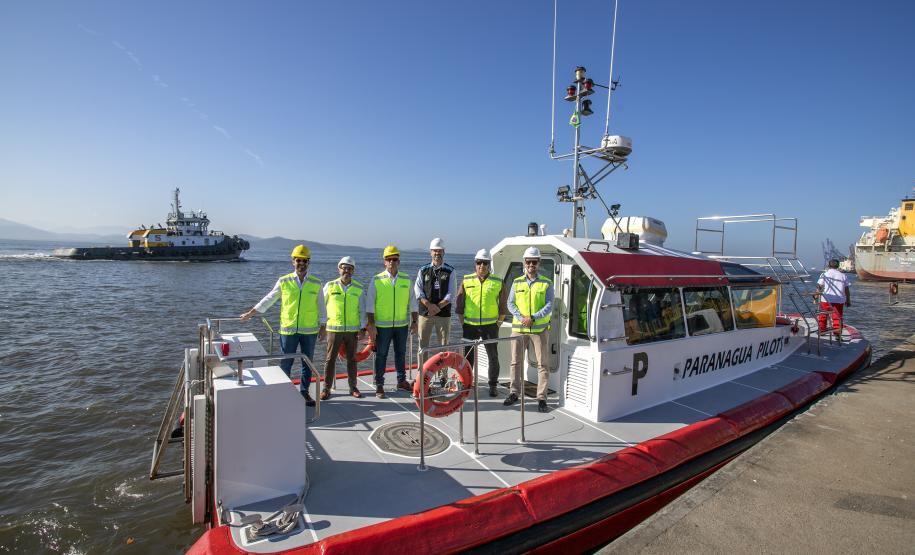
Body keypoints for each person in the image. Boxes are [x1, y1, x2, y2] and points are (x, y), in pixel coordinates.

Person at [240, 244, 325, 406]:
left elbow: (321, 306)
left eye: (305, 261)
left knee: (307, 363)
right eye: (298, 260)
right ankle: (285, 392)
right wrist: (252, 312)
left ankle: (304, 392)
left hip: (309, 331)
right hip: (288, 330)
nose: (301, 263)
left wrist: (323, 327)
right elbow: (269, 299)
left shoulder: (316, 283)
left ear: (309, 262)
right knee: (286, 362)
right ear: (293, 261)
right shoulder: (284, 281)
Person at [504, 247, 554, 413]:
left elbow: (549, 305)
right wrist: (522, 317)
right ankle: (514, 393)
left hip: (539, 330)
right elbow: (510, 304)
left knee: (543, 364)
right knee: (515, 362)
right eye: (528, 261)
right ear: (524, 263)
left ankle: (542, 398)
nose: (531, 264)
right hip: (519, 328)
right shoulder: (517, 282)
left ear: (539, 263)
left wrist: (532, 317)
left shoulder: (547, 283)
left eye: (534, 261)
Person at [366, 245, 418, 398]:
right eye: (389, 259)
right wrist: (372, 325)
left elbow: (413, 302)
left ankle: (401, 381)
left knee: (400, 354)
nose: (392, 262)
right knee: (381, 355)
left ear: (399, 261)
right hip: (382, 326)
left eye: (395, 259)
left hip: (402, 325)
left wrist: (415, 321)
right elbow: (370, 304)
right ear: (384, 262)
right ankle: (379, 385)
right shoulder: (377, 280)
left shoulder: (406, 279)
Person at [455, 248, 507, 397]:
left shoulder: (498, 282)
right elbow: (459, 305)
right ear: (475, 264)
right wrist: (463, 323)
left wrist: (498, 323)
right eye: (479, 263)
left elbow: (503, 306)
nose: (482, 266)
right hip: (470, 326)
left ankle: (492, 385)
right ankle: (466, 384)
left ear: (489, 264)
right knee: (467, 357)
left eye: (485, 263)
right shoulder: (466, 280)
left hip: (490, 326)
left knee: (493, 357)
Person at [321, 256, 367, 400]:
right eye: (344, 267)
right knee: (330, 359)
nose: (346, 270)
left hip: (352, 331)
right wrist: (322, 326)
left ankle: (353, 387)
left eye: (349, 268)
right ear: (339, 268)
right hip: (334, 330)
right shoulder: (330, 286)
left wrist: (362, 328)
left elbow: (362, 310)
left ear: (353, 270)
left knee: (352, 359)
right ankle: (326, 388)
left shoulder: (359, 288)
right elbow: (321, 307)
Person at [415, 238, 455, 372]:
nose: (437, 253)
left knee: (444, 345)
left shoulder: (450, 271)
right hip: (425, 314)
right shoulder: (423, 270)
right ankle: (422, 373)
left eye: (439, 251)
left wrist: (437, 307)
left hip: (443, 314)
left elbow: (451, 294)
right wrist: (428, 305)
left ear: (444, 252)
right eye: (434, 251)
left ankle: (443, 374)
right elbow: (418, 290)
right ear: (430, 252)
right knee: (423, 346)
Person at [816, 258, 851, 337]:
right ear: (838, 266)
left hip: (826, 299)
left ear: (828, 265)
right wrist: (848, 300)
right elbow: (847, 290)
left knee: (823, 316)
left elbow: (819, 287)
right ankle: (837, 333)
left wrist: (815, 297)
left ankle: (822, 330)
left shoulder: (824, 274)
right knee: (837, 317)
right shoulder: (843, 276)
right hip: (839, 300)